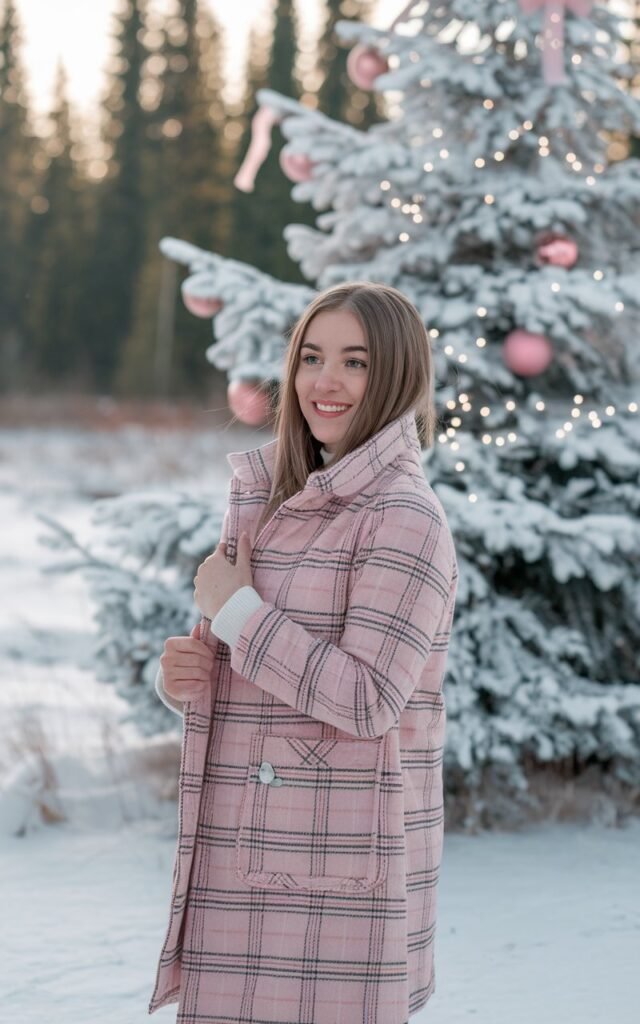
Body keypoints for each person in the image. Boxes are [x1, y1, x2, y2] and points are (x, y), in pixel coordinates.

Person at [148, 282, 459, 1024]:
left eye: (355, 362)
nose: (325, 380)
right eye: (311, 356)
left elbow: (367, 700)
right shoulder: (277, 497)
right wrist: (184, 678)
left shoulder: (404, 517)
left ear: (396, 377)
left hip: (330, 879)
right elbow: (249, 662)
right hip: (250, 851)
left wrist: (237, 610)